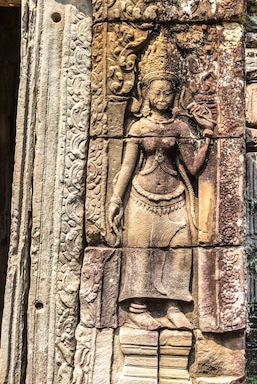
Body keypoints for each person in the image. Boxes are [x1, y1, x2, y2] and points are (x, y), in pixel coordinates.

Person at [108, 32, 214, 330]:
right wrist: (116, 200)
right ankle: (138, 307)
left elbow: (192, 167)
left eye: (168, 92)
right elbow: (127, 167)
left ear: (175, 94)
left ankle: (173, 304)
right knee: (140, 251)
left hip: (174, 197)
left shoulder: (179, 126)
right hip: (141, 198)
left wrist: (206, 135)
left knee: (180, 250)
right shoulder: (139, 127)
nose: (163, 97)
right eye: (157, 92)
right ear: (146, 93)